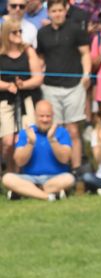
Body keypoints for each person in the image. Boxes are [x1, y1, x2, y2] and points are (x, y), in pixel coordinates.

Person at [36, 0, 91, 175]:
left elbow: (85, 54)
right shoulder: (42, 33)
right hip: (50, 87)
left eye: (60, 10)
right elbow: (41, 58)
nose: (57, 14)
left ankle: (76, 170)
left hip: (74, 86)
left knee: (73, 130)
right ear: (49, 13)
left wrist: (86, 75)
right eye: (54, 11)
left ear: (65, 10)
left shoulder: (76, 30)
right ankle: (59, 170)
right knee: (55, 130)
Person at [2, 100, 75, 201]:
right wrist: (30, 143)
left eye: (48, 116)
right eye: (41, 116)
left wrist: (52, 140)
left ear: (53, 116)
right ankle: (48, 196)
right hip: (29, 179)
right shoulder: (26, 133)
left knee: (69, 179)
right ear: (35, 116)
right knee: (7, 178)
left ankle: (27, 192)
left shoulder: (62, 132)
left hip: (54, 178)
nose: (45, 119)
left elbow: (65, 159)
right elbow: (19, 161)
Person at [0, 18, 43, 174]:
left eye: (20, 31)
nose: (18, 34)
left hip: (27, 99)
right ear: (6, 34)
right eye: (14, 32)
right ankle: (10, 172)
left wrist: (24, 84)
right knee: (8, 141)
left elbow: (38, 77)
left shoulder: (28, 50)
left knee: (27, 137)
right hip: (5, 100)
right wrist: (7, 86)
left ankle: (27, 172)